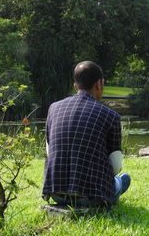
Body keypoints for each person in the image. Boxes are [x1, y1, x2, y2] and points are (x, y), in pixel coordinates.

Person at [42, 61, 131, 208]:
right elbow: (115, 167)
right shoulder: (111, 116)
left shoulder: (53, 109)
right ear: (99, 84)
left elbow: (49, 152)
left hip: (56, 194)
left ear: (75, 85)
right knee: (124, 179)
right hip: (93, 196)